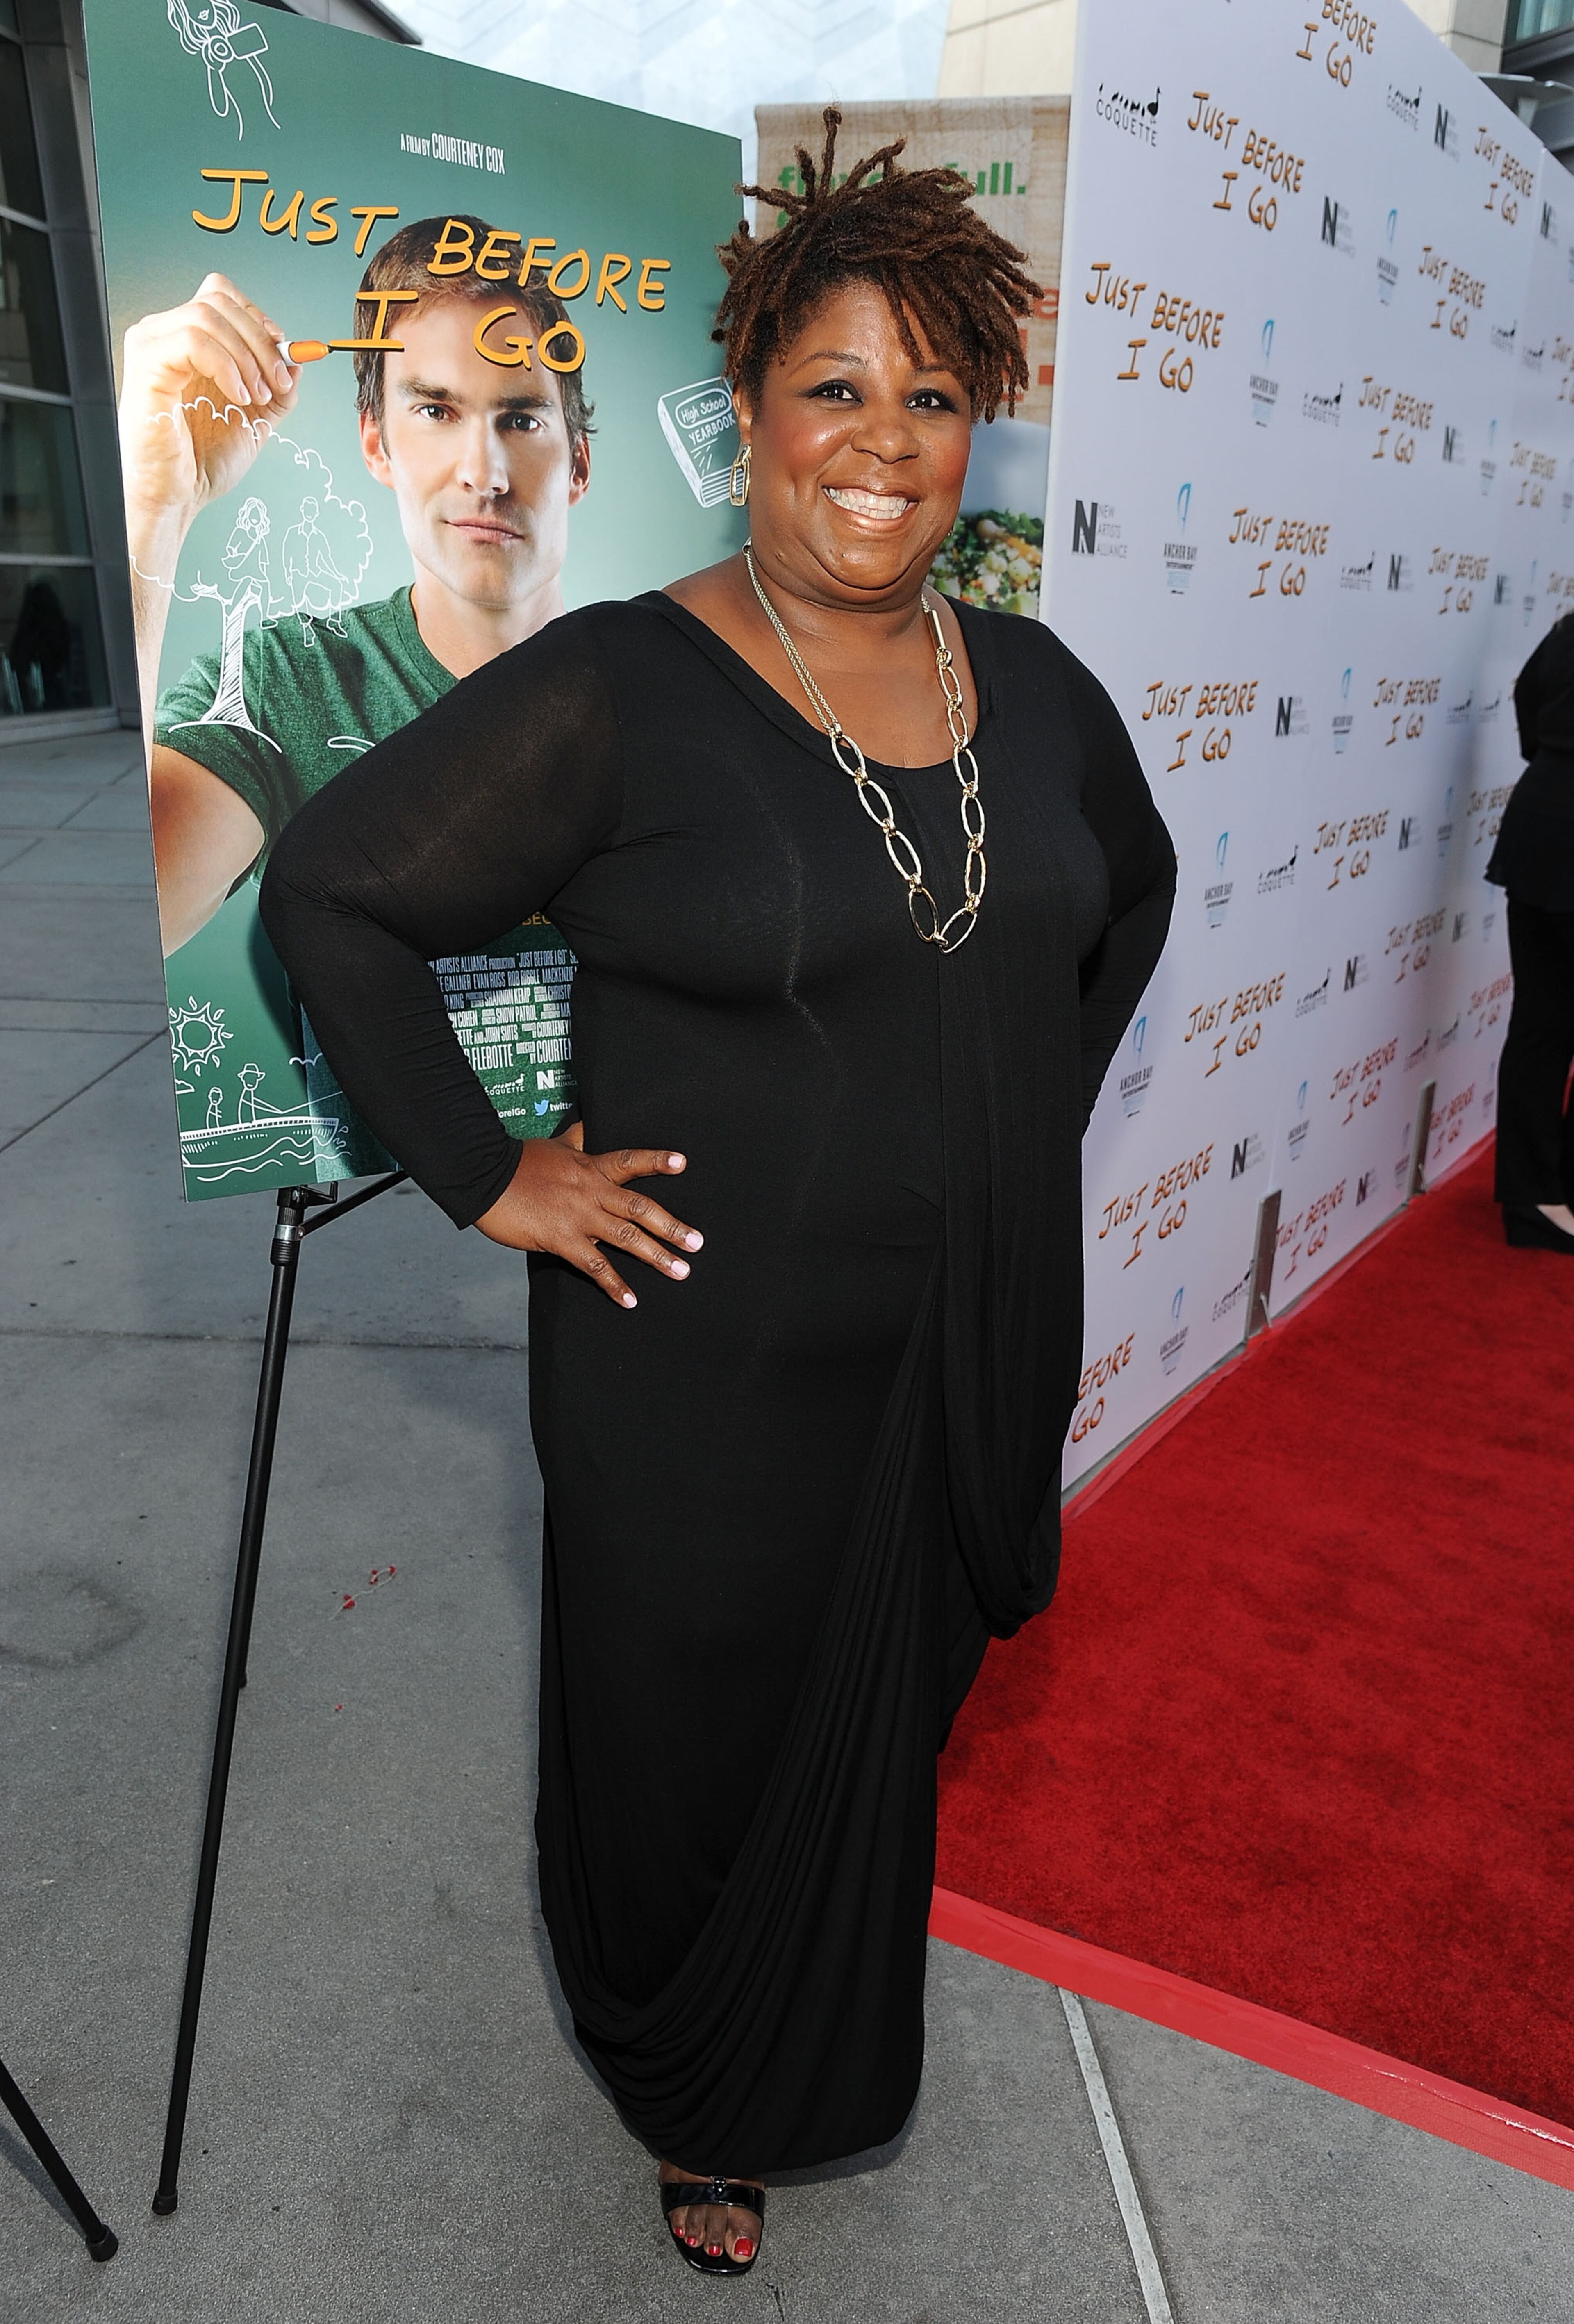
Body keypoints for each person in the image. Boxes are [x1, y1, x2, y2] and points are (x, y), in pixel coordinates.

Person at [260, 117, 1175, 2278]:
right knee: (691, 1749)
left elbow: (1126, 894)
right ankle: (697, 2082)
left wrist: (1013, 1131)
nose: (884, 439)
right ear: (752, 403)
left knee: (872, 1737)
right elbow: (334, 891)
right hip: (705, 1376)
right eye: (833, 383)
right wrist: (491, 1173)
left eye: (933, 393)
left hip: (956, 1353)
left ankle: (808, 2019)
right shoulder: (618, 686)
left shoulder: (1038, 686)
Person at [117, 215, 593, 954]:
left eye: (522, 419)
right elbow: (102, 934)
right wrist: (152, 507)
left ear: (579, 465)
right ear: (377, 444)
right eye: (436, 411)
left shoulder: (665, 696)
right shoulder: (281, 688)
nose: (485, 475)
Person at [1488, 611, 1574, 1252]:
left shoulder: (1569, 628)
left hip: (1542, 820)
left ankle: (1534, 1196)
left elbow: (1526, 695)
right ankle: (1543, 1192)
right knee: (1544, 1021)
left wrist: (1553, 760)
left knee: (1542, 1019)